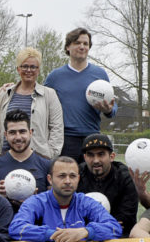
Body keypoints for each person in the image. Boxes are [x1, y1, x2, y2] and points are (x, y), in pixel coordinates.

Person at [9, 156, 122, 242]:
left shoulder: (86, 202)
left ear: (78, 179)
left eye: (72, 176)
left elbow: (115, 228)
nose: (68, 181)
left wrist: (86, 232)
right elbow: (16, 228)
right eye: (62, 176)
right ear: (50, 179)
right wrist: (54, 235)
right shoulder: (36, 202)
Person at [44, 28, 116, 159]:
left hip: (92, 138)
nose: (82, 47)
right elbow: (39, 99)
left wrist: (109, 110)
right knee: (66, 179)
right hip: (65, 140)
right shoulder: (55, 76)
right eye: (77, 43)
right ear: (67, 47)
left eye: (86, 44)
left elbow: (113, 107)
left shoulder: (100, 74)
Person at [0, 47, 64, 159]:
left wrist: (50, 154)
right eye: (25, 66)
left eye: (33, 67)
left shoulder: (49, 95)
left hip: (37, 160)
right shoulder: (4, 94)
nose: (29, 70)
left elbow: (57, 127)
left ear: (38, 70)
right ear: (18, 69)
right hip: (3, 157)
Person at [76, 133, 138, 237]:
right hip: (80, 234)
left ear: (111, 156)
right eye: (91, 155)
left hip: (117, 237)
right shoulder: (76, 175)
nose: (96, 160)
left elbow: (125, 221)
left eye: (101, 154)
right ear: (85, 157)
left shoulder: (124, 177)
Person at [0, 110, 53, 205]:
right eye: (12, 133)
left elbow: (54, 202)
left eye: (22, 132)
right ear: (6, 135)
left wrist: (37, 199)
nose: (18, 137)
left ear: (30, 132)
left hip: (36, 219)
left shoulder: (46, 164)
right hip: (4, 219)